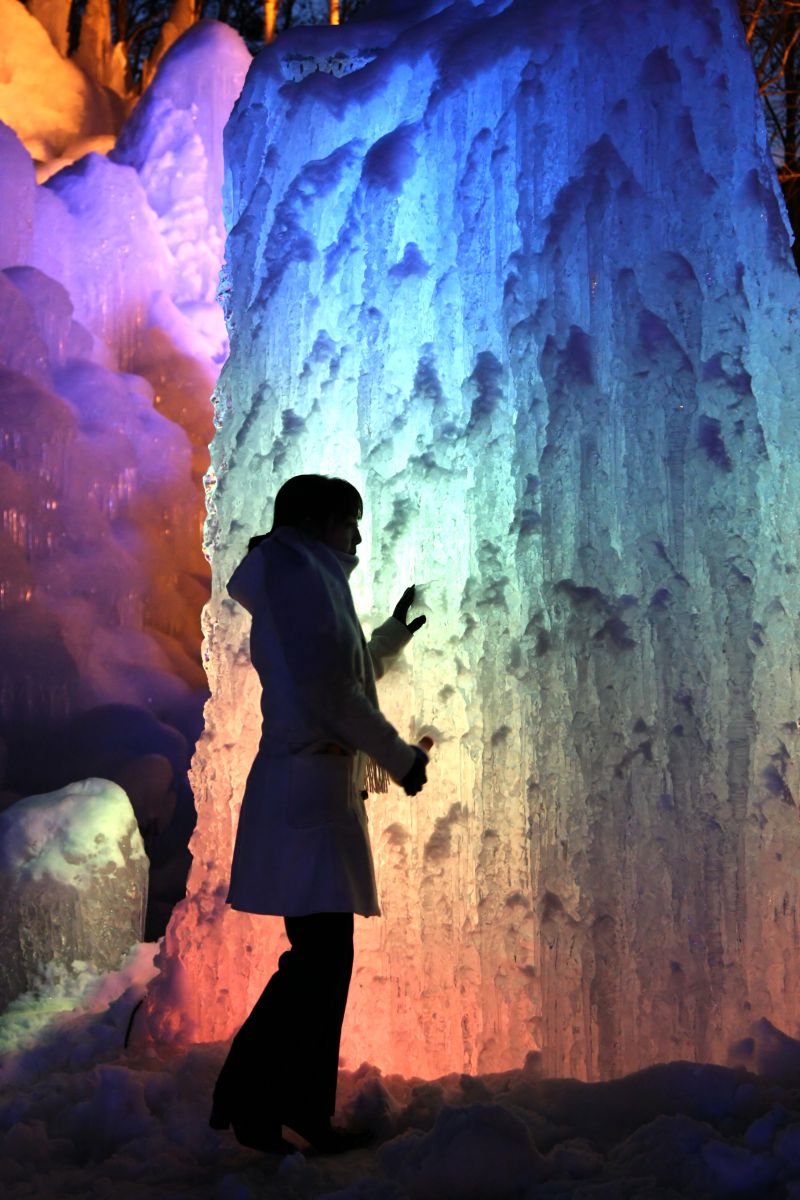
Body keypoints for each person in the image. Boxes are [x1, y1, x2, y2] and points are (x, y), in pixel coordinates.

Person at [209, 474, 429, 1155]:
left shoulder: (305, 574)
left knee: (319, 958)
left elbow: (341, 669)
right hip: (308, 791)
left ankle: (274, 1106)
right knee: (320, 959)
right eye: (350, 523)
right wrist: (397, 756)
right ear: (319, 521)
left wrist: (391, 635)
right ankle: (265, 1103)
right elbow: (329, 689)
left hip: (313, 787)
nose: (359, 538)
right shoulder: (301, 574)